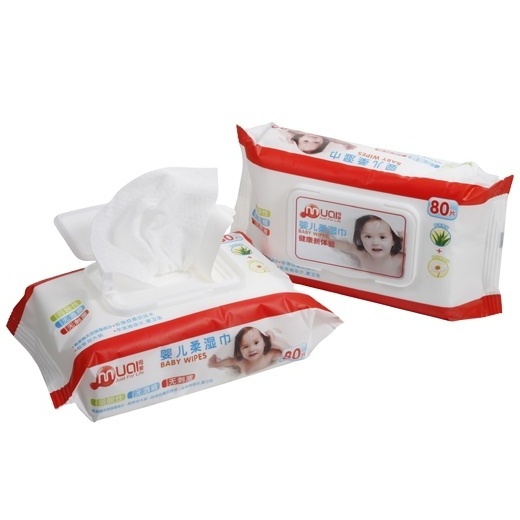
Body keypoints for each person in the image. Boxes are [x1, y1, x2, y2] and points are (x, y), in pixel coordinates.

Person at [330, 215, 405, 277]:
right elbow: (346, 246)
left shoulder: (400, 260)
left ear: (394, 241)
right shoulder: (362, 253)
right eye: (368, 236)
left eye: (382, 237)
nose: (375, 243)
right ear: (361, 239)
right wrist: (327, 240)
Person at [207, 327, 287, 375]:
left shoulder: (271, 354)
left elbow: (289, 351)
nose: (251, 349)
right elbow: (230, 361)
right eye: (245, 347)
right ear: (240, 351)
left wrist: (274, 342)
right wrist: (216, 364)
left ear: (264, 343)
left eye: (256, 343)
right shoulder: (242, 362)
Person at [280, 128, 356, 155]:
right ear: (323, 143)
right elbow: (335, 141)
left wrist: (290, 137)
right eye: (316, 142)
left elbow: (282, 131)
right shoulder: (327, 140)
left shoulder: (295, 134)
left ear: (299, 139)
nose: (312, 139)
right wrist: (347, 144)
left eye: (306, 141)